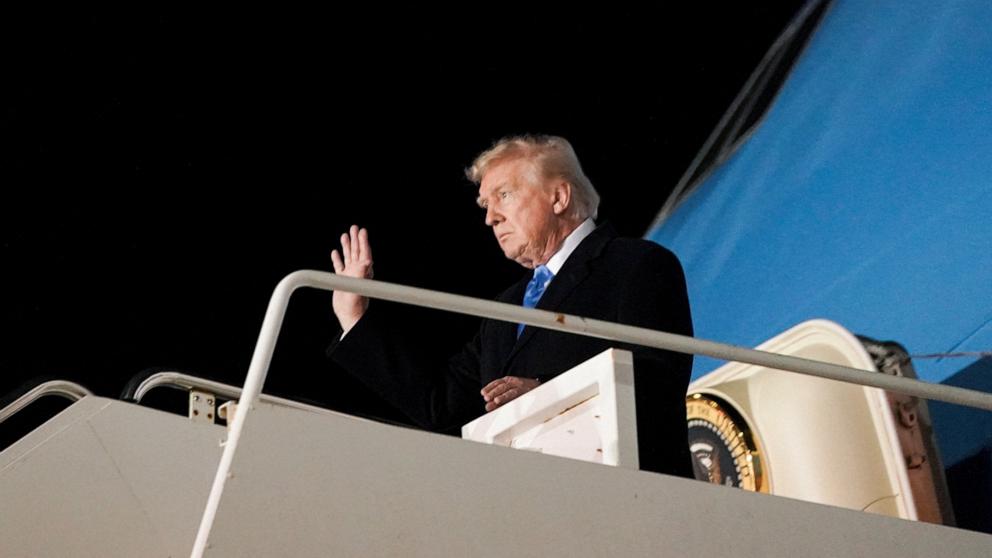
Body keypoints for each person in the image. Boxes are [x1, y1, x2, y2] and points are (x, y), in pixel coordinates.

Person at [328, 134, 694, 477]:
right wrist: (355, 317)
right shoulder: (506, 309)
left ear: (559, 197)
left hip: (630, 493)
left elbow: (657, 377)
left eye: (504, 195)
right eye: (486, 205)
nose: (490, 218)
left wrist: (546, 395)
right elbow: (440, 405)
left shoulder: (635, 264)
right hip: (529, 503)